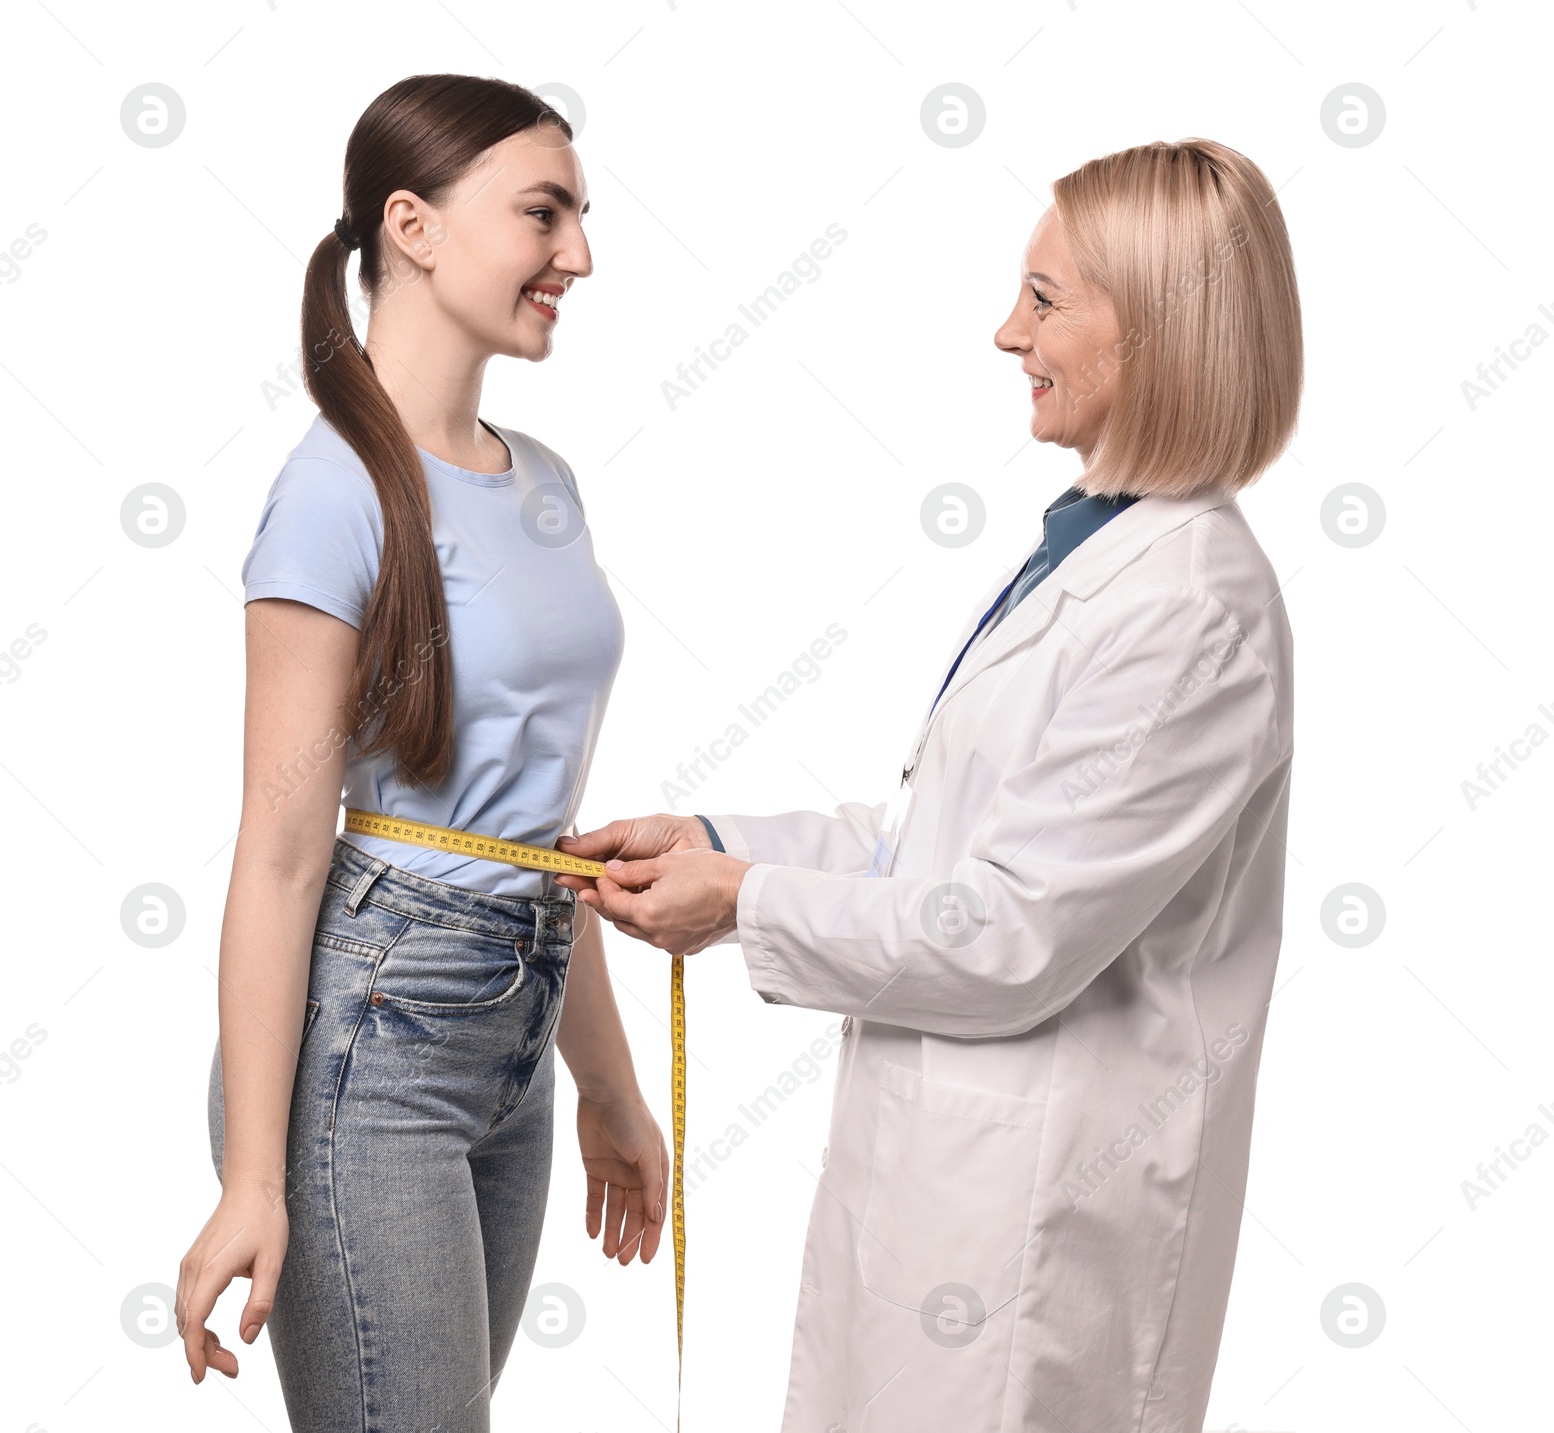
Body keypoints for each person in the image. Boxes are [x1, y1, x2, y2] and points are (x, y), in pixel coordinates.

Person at [557, 138, 1302, 1432]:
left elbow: (1010, 932)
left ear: (1165, 329)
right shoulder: (1099, 549)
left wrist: (744, 898)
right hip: (939, 1189)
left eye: (1046, 299)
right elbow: (944, 845)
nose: (1006, 332)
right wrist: (719, 843)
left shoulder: (1191, 608)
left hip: (1040, 1226)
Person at [174, 74, 668, 1430]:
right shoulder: (330, 491)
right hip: (369, 1047)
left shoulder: (547, 482)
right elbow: (280, 854)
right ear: (415, 225)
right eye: (543, 212)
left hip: (514, 1026)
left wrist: (609, 1087)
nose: (578, 254)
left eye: (578, 216)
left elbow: (536, 833)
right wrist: (254, 1178)